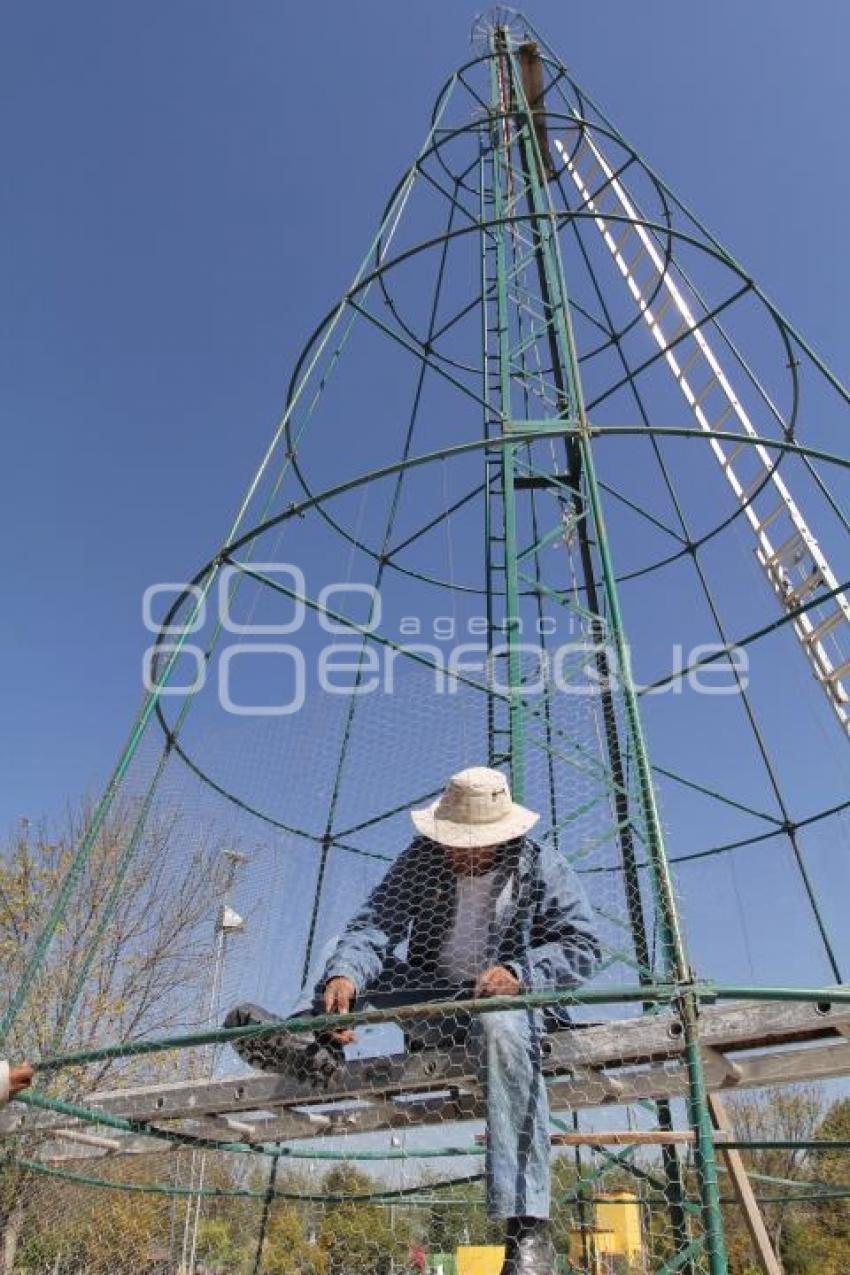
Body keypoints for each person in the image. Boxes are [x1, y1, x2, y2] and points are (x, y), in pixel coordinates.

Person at [226, 767, 600, 1275]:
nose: (461, 851)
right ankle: (317, 1042)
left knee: (500, 1022)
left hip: (509, 1012)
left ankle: (527, 1227)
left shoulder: (543, 866)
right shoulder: (422, 861)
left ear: (504, 834)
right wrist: (345, 976)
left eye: (475, 842)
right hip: (437, 1008)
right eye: (455, 841)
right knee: (344, 952)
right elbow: (375, 924)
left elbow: (583, 946)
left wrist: (519, 972)